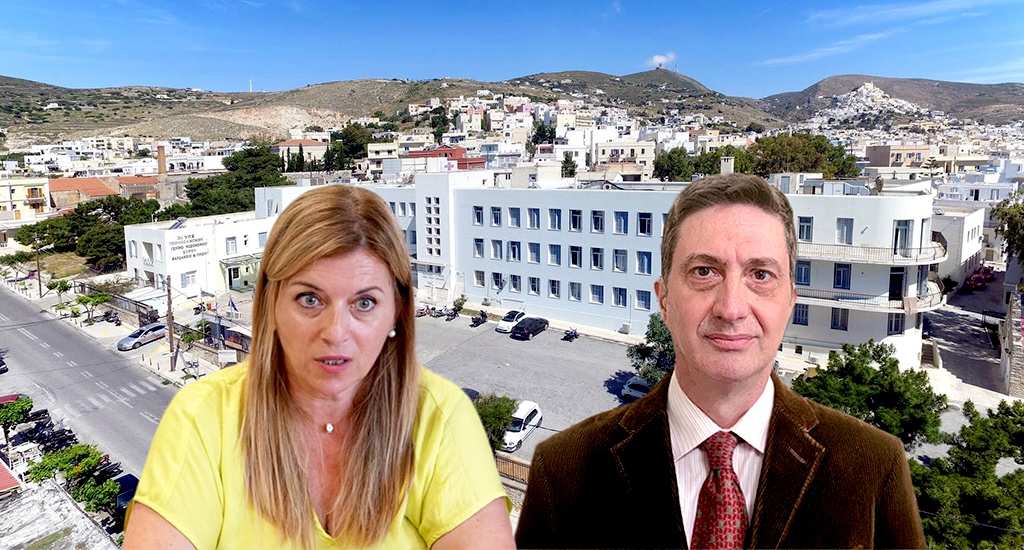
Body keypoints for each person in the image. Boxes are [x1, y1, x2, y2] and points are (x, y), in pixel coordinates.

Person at [516, 173, 926, 549]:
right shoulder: (565, 469)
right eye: (704, 271)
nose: (731, 309)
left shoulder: (873, 466)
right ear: (664, 300)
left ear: (790, 302)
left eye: (760, 275)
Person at [125, 185, 514, 549]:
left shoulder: (439, 418)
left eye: (364, 303)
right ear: (272, 304)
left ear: (396, 312)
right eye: (310, 299)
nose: (335, 333)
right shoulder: (205, 417)